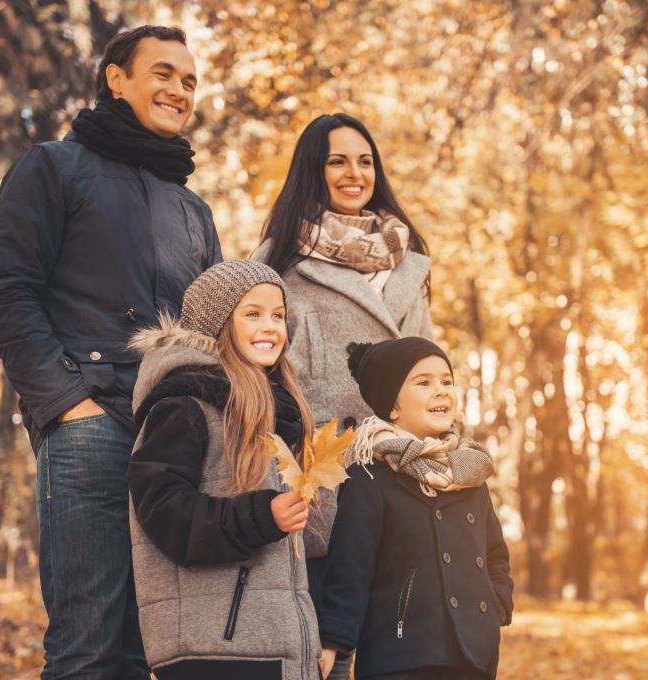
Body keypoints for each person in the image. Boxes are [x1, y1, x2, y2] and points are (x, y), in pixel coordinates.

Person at [0, 25, 221, 679]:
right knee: (87, 650)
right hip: (89, 426)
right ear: (117, 78)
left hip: (174, 441)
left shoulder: (194, 209)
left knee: (155, 652)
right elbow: (3, 295)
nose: (179, 90)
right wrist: (67, 403)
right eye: (164, 72)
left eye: (190, 81)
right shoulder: (54, 166)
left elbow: (212, 330)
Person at [252, 113, 434, 678]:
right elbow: (260, 383)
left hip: (402, 485)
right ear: (313, 170)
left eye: (364, 160)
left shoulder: (407, 260)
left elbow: (429, 366)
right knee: (323, 660)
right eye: (337, 161)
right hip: (324, 494)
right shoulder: (279, 262)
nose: (354, 173)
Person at [125, 260, 322, 680]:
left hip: (278, 645)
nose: (270, 326)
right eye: (252, 314)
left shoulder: (279, 420)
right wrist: (261, 516)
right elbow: (163, 512)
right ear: (217, 321)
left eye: (278, 315)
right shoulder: (185, 406)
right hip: (214, 646)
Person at [318, 338, 514, 680]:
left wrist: (497, 602)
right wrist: (335, 641)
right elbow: (351, 567)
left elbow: (495, 552)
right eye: (423, 383)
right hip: (400, 654)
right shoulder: (369, 478)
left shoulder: (469, 475)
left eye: (446, 381)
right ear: (392, 407)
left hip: (473, 654)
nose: (440, 391)